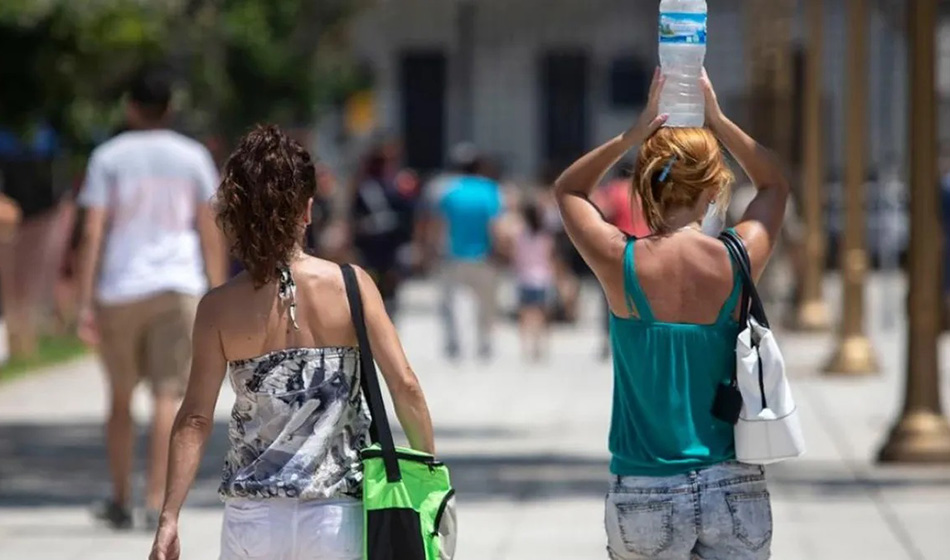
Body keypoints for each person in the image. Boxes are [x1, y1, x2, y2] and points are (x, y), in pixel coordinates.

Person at [148, 125, 435, 560]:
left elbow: (194, 419)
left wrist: (170, 515)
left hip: (254, 517)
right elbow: (405, 386)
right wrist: (428, 473)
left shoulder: (218, 308)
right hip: (337, 512)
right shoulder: (351, 286)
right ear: (306, 211)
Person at [554, 68, 788, 560]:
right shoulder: (737, 257)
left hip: (645, 486)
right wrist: (718, 119)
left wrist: (633, 133)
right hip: (733, 483)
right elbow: (773, 184)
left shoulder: (622, 261)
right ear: (713, 190)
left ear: (647, 187)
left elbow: (569, 191)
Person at [76, 67, 225, 530]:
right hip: (179, 285)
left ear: (129, 106)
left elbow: (94, 229)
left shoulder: (108, 157)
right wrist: (216, 294)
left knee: (120, 397)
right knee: (168, 395)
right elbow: (208, 227)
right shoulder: (193, 156)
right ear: (170, 108)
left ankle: (120, 497)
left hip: (120, 288)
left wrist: (84, 301)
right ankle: (156, 499)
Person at [435, 146, 505, 361]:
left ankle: (453, 344)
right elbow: (496, 225)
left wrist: (431, 250)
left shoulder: (448, 191)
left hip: (453, 254)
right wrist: (501, 250)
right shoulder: (490, 190)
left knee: (450, 305)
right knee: (486, 304)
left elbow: (439, 224)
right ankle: (484, 343)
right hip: (483, 254)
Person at [349, 141, 418, 317]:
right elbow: (354, 218)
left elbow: (408, 214)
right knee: (372, 283)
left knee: (390, 284)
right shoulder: (365, 187)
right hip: (372, 245)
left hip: (391, 244)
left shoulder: (398, 185)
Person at [593, 163, 652, 360]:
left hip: (620, 250)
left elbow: (601, 212)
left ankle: (609, 341)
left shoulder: (613, 190)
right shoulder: (645, 192)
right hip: (647, 249)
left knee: (610, 298)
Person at [513, 200, 556, 362]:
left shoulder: (520, 235)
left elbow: (516, 258)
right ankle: (541, 347)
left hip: (524, 278)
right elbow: (550, 258)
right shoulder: (545, 236)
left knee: (525, 315)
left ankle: (526, 348)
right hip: (543, 278)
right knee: (543, 315)